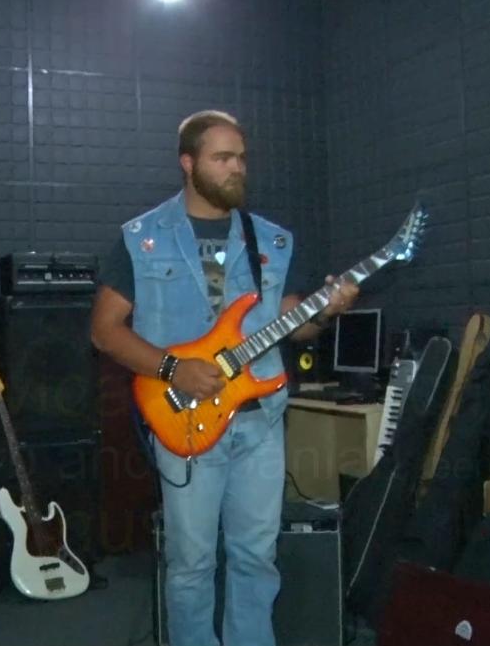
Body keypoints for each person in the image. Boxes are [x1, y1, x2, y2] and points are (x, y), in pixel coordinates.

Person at [91, 110, 359, 646]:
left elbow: (295, 326)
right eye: (222, 158)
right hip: (185, 422)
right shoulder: (142, 238)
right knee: (191, 563)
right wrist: (173, 369)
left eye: (241, 157)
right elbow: (104, 331)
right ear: (188, 164)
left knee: (257, 558)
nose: (237, 167)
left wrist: (327, 310)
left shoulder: (272, 241)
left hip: (260, 423)